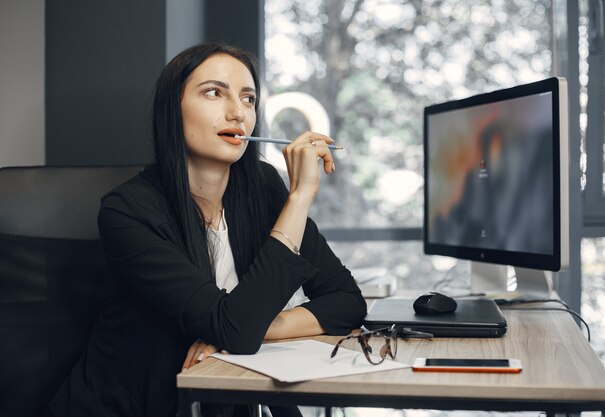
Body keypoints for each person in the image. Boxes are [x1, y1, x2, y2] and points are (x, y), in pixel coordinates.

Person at [46, 42, 366, 417]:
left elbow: (347, 302)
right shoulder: (127, 211)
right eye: (214, 93)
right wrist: (300, 196)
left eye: (248, 99)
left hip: (228, 398)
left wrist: (258, 326)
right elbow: (233, 329)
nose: (237, 112)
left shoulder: (262, 187)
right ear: (172, 110)